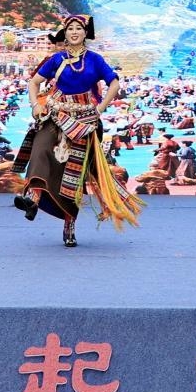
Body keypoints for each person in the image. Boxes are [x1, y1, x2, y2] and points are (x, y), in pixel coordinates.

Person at [14, 15, 143, 247]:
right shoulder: (56, 59)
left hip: (84, 120)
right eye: (70, 28)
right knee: (40, 149)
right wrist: (35, 106)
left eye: (78, 28)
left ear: (85, 33)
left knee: (73, 175)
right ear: (65, 33)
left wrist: (100, 109)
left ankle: (69, 223)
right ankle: (33, 197)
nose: (74, 32)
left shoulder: (95, 59)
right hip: (55, 113)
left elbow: (114, 83)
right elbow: (34, 82)